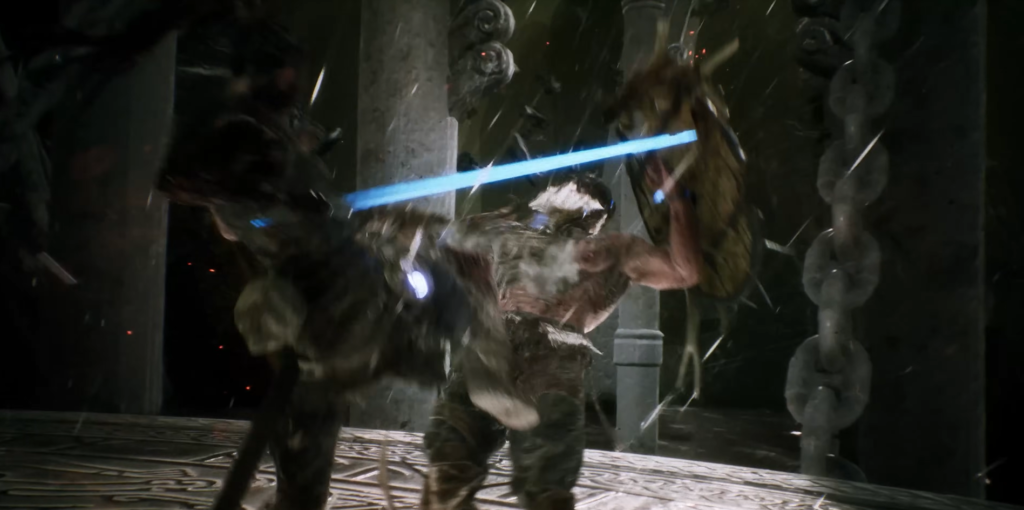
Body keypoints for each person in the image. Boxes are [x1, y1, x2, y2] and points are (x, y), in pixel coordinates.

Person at [157, 20, 537, 510]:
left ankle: (482, 372)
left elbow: (297, 212)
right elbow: (236, 205)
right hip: (313, 287)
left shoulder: (264, 137)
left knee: (319, 399)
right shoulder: (240, 141)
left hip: (327, 279)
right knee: (312, 403)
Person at [421, 165, 703, 510]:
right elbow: (445, 249)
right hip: (493, 344)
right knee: (449, 464)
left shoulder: (612, 248)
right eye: (565, 191)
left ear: (598, 215)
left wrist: (679, 202)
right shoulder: (508, 232)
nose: (570, 198)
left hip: (553, 352)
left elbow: (685, 270)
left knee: (546, 482)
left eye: (582, 197)